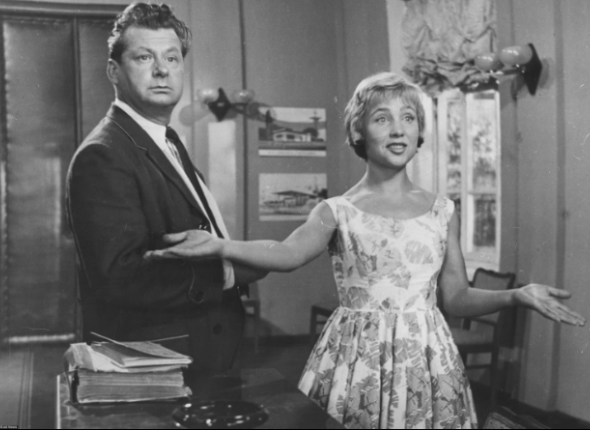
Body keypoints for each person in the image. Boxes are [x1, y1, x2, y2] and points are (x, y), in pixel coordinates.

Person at [145, 73, 586, 428]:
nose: (398, 128)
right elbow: (286, 253)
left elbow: (456, 298)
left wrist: (517, 295)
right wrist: (220, 245)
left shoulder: (442, 211)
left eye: (408, 117)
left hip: (427, 361)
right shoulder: (338, 210)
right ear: (358, 130)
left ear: (419, 131)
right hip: (356, 360)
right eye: (382, 118)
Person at [66, 2, 266, 372]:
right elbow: (119, 278)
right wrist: (227, 272)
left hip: (203, 349)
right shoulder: (103, 154)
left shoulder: (166, 139)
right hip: (158, 364)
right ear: (113, 71)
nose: (162, 70)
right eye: (144, 57)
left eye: (172, 58)